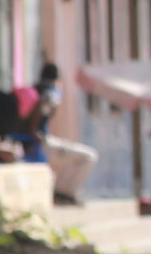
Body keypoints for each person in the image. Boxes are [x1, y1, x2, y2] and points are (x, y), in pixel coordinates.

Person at [26, 63, 99, 204]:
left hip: (34, 141)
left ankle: (62, 192)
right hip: (39, 143)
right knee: (88, 157)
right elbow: (39, 112)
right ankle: (64, 193)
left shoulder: (33, 89)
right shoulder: (50, 93)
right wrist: (35, 134)